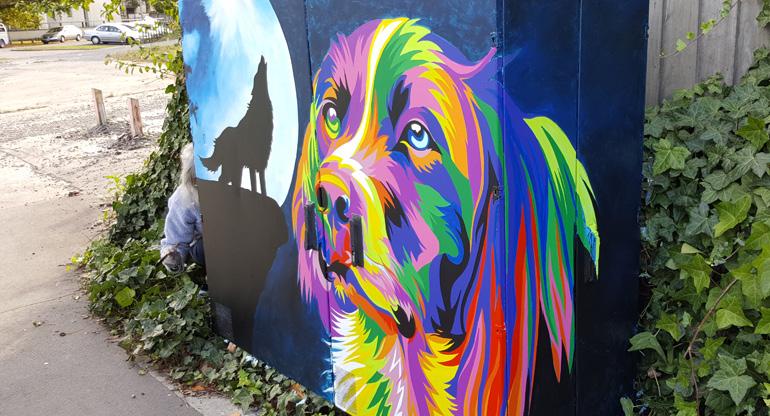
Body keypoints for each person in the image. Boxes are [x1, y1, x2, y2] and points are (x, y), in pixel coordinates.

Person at [160, 143, 205, 273]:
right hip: (208, 244)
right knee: (202, 249)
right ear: (192, 179)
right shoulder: (182, 200)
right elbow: (176, 242)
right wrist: (173, 258)